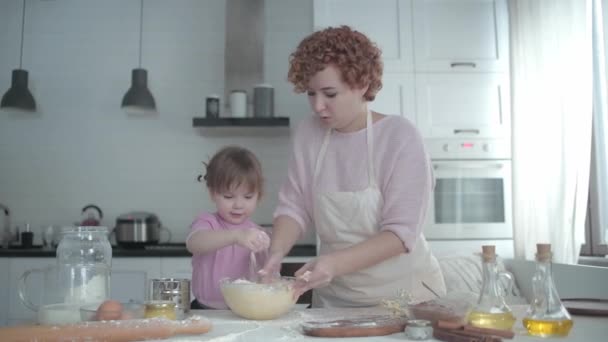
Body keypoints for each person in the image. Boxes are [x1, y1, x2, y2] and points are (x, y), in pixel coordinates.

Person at [259, 26, 446, 308]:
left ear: (363, 85)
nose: (318, 106)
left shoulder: (400, 137)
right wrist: (275, 254)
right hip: (335, 301)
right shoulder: (308, 134)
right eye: (310, 93)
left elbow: (400, 233)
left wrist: (333, 264)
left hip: (408, 300)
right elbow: (293, 206)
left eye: (330, 94)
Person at [186, 145, 270, 309]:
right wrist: (235, 236)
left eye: (248, 197)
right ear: (212, 193)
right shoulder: (208, 222)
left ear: (258, 196)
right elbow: (194, 242)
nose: (238, 205)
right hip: (205, 310)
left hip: (243, 310)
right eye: (229, 196)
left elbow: (264, 274)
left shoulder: (256, 233)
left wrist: (269, 262)